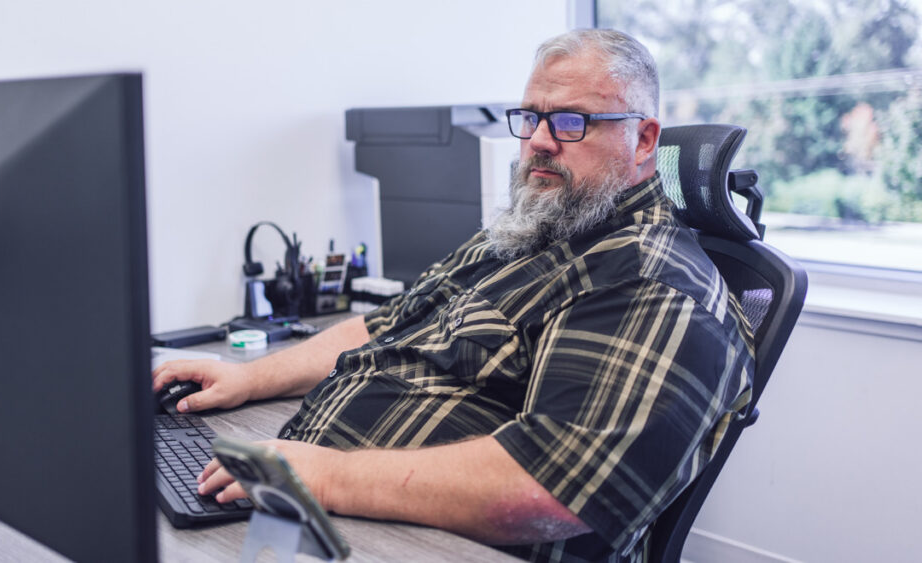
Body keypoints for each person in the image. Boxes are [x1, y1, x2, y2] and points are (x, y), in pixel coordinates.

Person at [152, 28, 755, 563]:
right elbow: (385, 325)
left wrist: (324, 476)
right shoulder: (531, 231)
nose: (541, 141)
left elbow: (551, 490)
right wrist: (248, 378)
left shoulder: (650, 282)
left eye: (571, 122)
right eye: (530, 118)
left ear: (644, 140)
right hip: (328, 508)